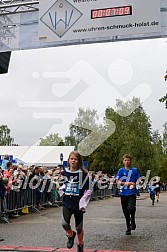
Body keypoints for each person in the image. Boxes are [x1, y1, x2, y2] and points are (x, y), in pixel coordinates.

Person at [59, 151, 92, 252]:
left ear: (79, 161)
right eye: (71, 158)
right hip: (67, 202)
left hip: (78, 204)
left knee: (79, 228)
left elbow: (89, 189)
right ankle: (70, 235)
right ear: (68, 160)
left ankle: (80, 243)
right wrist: (61, 190)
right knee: (64, 224)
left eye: (75, 159)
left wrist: (83, 200)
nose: (73, 161)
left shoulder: (83, 174)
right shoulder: (64, 173)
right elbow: (60, 184)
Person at [116, 154, 140, 235]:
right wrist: (128, 183)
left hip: (132, 192)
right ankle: (128, 227)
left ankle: (132, 219)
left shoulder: (135, 170)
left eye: (128, 160)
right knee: (125, 211)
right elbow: (118, 181)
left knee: (131, 208)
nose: (127, 162)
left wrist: (135, 184)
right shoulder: (121, 170)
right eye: (125, 160)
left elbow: (138, 180)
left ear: (131, 161)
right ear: (123, 161)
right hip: (123, 193)